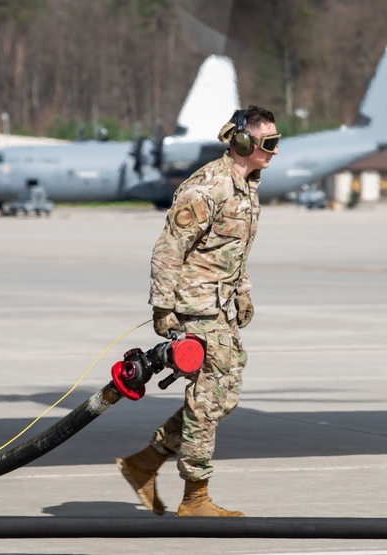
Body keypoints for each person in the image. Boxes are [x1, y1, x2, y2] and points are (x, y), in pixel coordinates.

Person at [117, 105, 280, 517]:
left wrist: (242, 292)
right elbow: (169, 249)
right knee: (208, 398)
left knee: (225, 396)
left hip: (219, 305)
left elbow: (232, 251)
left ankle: (145, 461)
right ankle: (195, 497)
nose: (275, 152)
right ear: (244, 142)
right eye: (269, 143)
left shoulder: (246, 185)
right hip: (196, 305)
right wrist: (163, 307)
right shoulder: (209, 187)